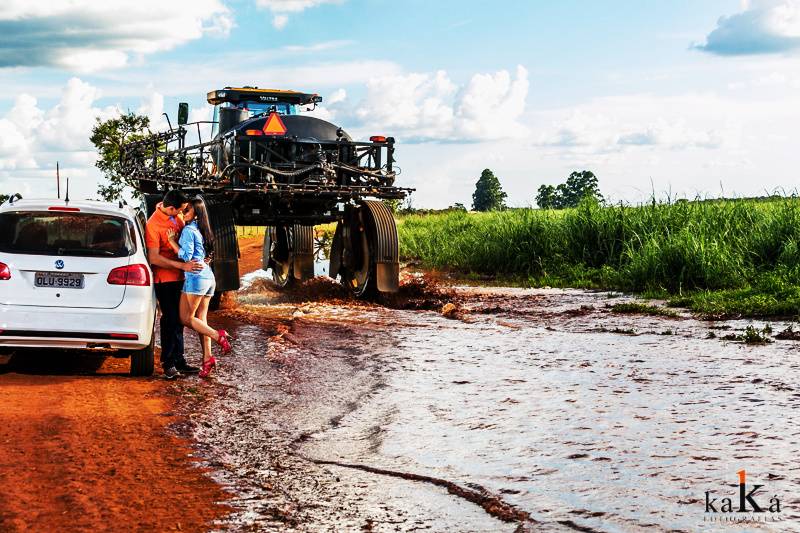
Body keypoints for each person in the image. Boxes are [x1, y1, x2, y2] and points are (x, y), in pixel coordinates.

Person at [166, 197, 232, 378]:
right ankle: (207, 359)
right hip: (208, 277)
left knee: (185, 318)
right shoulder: (203, 229)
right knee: (201, 319)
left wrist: (172, 241)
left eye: (186, 210)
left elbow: (186, 256)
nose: (182, 213)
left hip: (195, 278)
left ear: (195, 213)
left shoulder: (188, 230)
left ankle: (219, 336)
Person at [145, 190, 204, 379]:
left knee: (180, 320)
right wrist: (182, 265)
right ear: (171, 208)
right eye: (181, 209)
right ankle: (168, 363)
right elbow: (154, 258)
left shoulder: (176, 216)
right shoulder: (152, 225)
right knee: (169, 319)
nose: (182, 213)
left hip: (182, 277)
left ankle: (180, 360)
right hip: (165, 279)